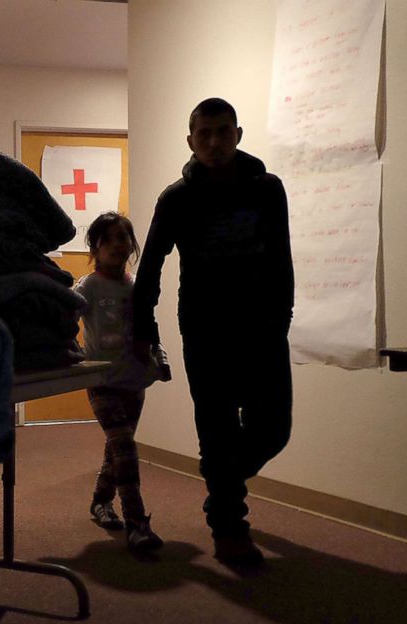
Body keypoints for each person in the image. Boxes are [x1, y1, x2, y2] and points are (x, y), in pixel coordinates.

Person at [132, 97, 294, 567]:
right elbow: (151, 268)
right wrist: (145, 328)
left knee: (273, 430)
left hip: (263, 326)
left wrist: (282, 318)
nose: (215, 142)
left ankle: (220, 484)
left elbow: (282, 260)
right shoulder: (177, 199)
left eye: (223, 132)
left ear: (238, 135)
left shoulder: (268, 189)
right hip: (204, 329)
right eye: (204, 134)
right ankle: (228, 526)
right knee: (218, 426)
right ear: (191, 140)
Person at [73, 211, 169, 552]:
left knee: (117, 451)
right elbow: (64, 320)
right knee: (125, 448)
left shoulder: (137, 286)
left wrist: (159, 358)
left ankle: (100, 502)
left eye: (123, 238)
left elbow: (148, 326)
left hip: (134, 380)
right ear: (95, 246)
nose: (118, 244)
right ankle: (136, 522)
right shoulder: (87, 287)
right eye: (109, 238)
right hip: (102, 382)